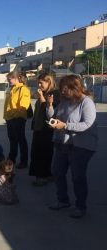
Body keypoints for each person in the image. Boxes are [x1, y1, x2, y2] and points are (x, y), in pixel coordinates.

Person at [46, 75, 98, 219]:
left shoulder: (86, 102)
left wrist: (65, 126)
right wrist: (50, 108)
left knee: (77, 177)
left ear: (74, 88)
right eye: (61, 89)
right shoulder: (64, 101)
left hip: (81, 146)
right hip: (63, 143)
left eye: (65, 89)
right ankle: (63, 200)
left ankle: (80, 206)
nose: (62, 92)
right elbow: (55, 115)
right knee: (57, 171)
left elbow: (88, 124)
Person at [29, 73, 60, 186]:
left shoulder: (54, 94)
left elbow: (50, 114)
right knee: (38, 152)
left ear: (49, 82)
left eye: (42, 82)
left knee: (43, 153)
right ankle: (47, 174)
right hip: (39, 128)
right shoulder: (45, 93)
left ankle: (42, 177)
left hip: (46, 130)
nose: (39, 85)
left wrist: (42, 98)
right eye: (38, 82)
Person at [3, 71, 31, 169]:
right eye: (8, 79)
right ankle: (12, 159)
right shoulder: (11, 89)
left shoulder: (23, 89)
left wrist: (15, 115)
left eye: (10, 78)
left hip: (18, 118)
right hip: (9, 118)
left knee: (21, 140)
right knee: (12, 140)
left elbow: (23, 105)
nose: (8, 80)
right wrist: (7, 116)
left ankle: (24, 161)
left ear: (16, 78)